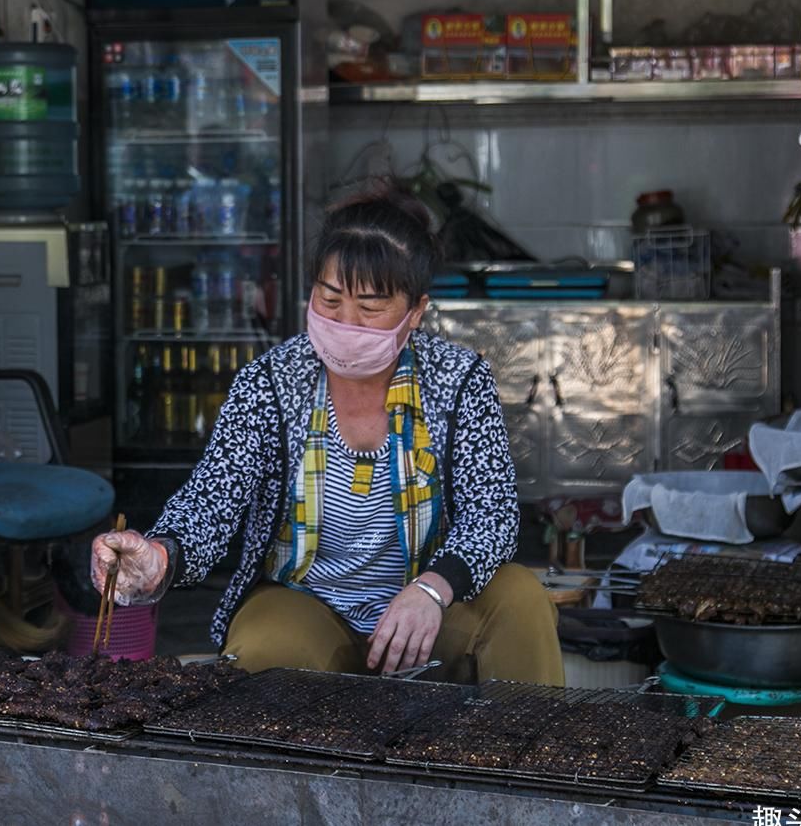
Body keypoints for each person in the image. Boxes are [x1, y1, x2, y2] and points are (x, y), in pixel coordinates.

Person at [93, 191, 562, 682]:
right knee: (266, 646)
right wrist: (161, 554)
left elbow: (494, 513)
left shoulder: (459, 379)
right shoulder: (269, 382)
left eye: (371, 306)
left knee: (520, 598)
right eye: (330, 299)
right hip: (306, 604)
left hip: (431, 606)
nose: (345, 323)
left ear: (416, 312)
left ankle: (531, 753)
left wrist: (432, 590)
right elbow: (214, 497)